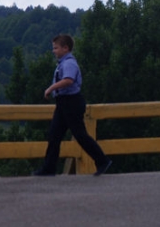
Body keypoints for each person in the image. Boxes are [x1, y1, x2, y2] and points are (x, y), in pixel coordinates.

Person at [33, 34, 112, 177]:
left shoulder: (69, 63)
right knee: (54, 135)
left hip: (71, 102)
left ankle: (102, 160)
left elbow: (68, 80)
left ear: (65, 48)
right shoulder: (63, 63)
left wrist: (51, 88)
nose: (53, 51)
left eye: (56, 48)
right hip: (63, 103)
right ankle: (48, 168)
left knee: (80, 135)